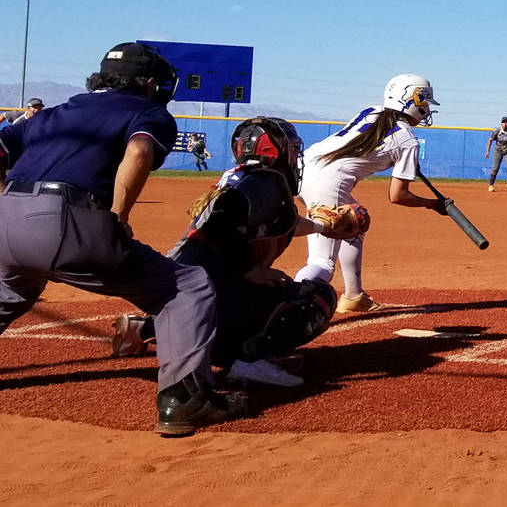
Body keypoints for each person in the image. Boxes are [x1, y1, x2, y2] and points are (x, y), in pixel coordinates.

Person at [0, 42, 246, 436]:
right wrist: (117, 216)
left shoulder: (54, 112)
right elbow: (138, 152)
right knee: (187, 286)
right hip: (67, 221)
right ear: (149, 82)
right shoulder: (148, 111)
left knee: (12, 288)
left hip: (6, 219)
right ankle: (184, 399)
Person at [112, 117, 342, 388]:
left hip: (185, 294)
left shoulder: (243, 178)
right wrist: (249, 270)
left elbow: (279, 223)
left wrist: (323, 226)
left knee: (259, 288)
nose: (295, 154)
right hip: (208, 287)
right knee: (315, 297)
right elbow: (224, 218)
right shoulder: (265, 183)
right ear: (274, 149)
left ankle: (149, 328)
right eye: (291, 148)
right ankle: (251, 360)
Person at [293, 74, 446, 313]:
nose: (425, 110)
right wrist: (432, 203)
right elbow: (398, 196)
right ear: (411, 101)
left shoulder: (370, 111)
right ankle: (287, 304)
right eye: (424, 104)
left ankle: (354, 295)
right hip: (327, 183)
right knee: (322, 263)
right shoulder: (408, 141)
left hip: (302, 171)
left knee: (354, 224)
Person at [485, 116, 507, 192]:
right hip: (498, 150)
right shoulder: (497, 131)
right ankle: (491, 185)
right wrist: (487, 151)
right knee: (495, 168)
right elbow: (490, 140)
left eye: (506, 122)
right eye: (503, 122)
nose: (505, 124)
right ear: (501, 123)